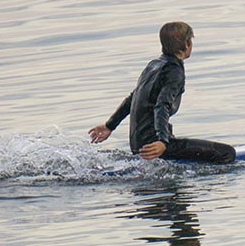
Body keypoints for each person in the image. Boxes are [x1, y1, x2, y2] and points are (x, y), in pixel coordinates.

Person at [88, 22, 236, 164]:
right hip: (153, 146)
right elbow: (162, 105)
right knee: (227, 153)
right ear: (186, 44)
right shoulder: (174, 71)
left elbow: (132, 98)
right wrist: (163, 142)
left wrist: (110, 125)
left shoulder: (153, 65)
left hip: (139, 145)